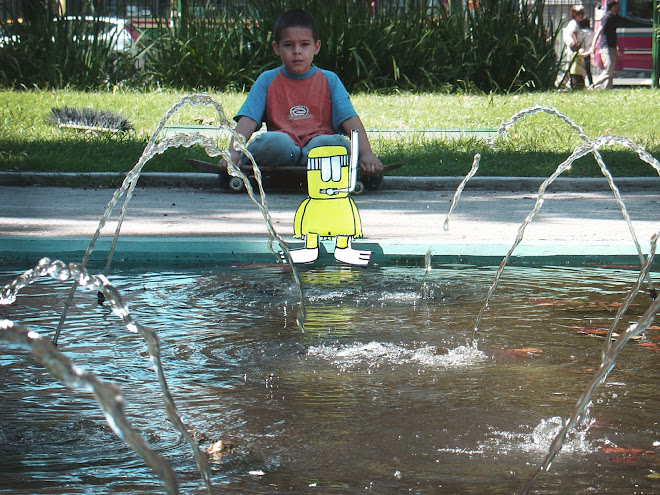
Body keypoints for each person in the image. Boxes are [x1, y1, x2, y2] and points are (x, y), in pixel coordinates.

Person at [223, 9, 383, 175]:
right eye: (288, 45)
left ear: (316, 47)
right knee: (274, 143)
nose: (297, 51)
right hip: (283, 148)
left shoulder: (329, 80)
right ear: (276, 48)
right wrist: (233, 152)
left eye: (304, 44)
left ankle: (318, 160)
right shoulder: (267, 80)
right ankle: (247, 162)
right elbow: (247, 121)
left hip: (318, 145)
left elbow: (351, 121)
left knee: (331, 144)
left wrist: (366, 154)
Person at [591, 0, 622, 89]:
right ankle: (594, 85)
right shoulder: (607, 17)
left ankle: (607, 88)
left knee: (611, 70)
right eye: (617, 5)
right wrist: (593, 44)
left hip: (612, 46)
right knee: (608, 69)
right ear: (613, 6)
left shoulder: (614, 18)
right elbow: (599, 31)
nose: (619, 7)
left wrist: (617, 46)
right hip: (605, 46)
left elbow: (613, 33)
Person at [579, 17, 594, 87]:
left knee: (580, 67)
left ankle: (582, 82)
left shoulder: (581, 32)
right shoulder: (591, 32)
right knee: (588, 68)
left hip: (581, 50)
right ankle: (591, 83)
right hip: (588, 50)